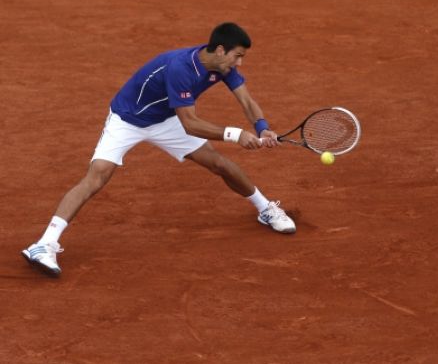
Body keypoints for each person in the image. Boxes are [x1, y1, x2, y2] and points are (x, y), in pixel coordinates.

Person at [22, 22, 296, 277]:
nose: (238, 63)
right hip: (128, 119)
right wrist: (236, 134)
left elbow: (246, 101)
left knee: (218, 164)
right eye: (237, 56)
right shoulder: (180, 68)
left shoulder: (223, 68)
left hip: (165, 120)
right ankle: (44, 244)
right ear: (221, 50)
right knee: (98, 176)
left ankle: (265, 208)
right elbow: (190, 123)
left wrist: (262, 127)